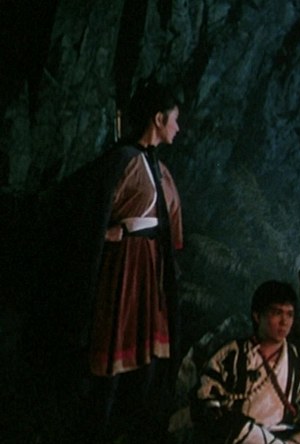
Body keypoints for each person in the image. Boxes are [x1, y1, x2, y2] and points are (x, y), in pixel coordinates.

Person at [56, 78, 186, 442]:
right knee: (111, 361)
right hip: (124, 269)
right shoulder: (122, 160)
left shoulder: (159, 169)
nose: (178, 127)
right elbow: (79, 207)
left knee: (148, 361)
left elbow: (171, 226)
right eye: (175, 119)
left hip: (150, 270)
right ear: (158, 119)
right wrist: (103, 233)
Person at [192, 280, 300, 444]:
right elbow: (206, 397)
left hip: (284, 435)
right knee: (235, 426)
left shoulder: (298, 359)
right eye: (277, 313)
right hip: (244, 436)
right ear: (257, 316)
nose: (284, 322)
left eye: (289, 314)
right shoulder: (233, 354)